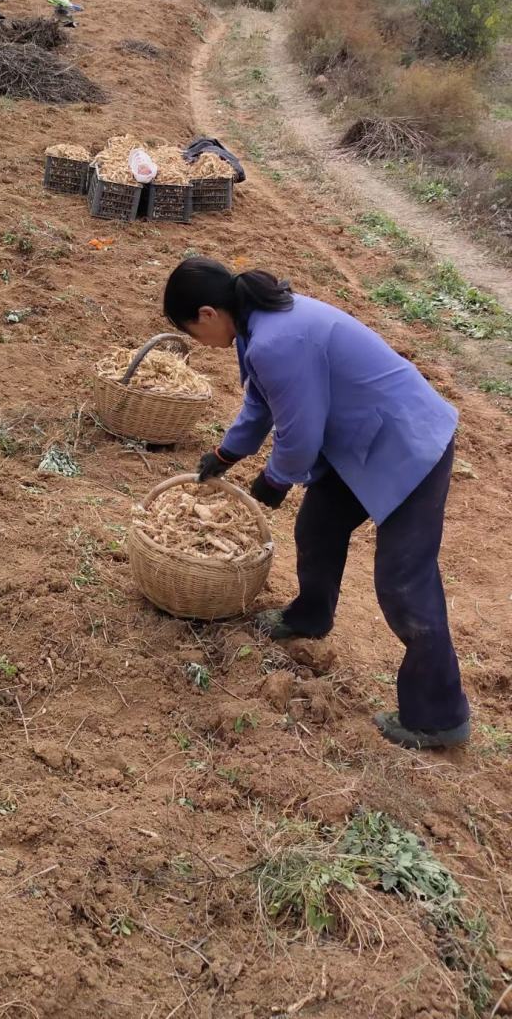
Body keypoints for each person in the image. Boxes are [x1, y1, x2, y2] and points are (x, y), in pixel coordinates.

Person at [162, 256, 470, 752]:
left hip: (409, 444)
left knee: (404, 582)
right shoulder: (257, 328)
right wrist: (226, 453)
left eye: (192, 333)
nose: (201, 343)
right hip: (363, 438)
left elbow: (300, 435)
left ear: (208, 313)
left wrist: (274, 481)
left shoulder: (278, 339)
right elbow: (261, 404)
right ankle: (310, 616)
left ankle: (438, 716)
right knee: (319, 526)